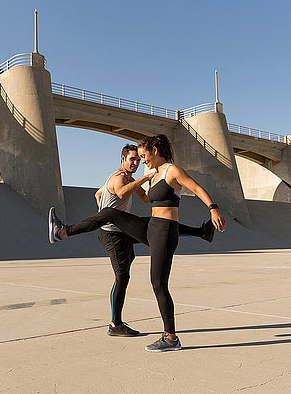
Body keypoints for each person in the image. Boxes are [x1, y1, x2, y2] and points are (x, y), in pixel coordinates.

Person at [49, 134, 226, 352]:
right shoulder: (153, 174)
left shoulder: (172, 171)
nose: (142, 161)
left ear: (155, 150)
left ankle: (170, 337)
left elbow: (197, 188)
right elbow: (141, 197)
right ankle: (62, 232)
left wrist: (213, 208)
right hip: (152, 227)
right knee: (109, 213)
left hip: (165, 231)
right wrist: (133, 179)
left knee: (158, 285)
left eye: (144, 156)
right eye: (138, 157)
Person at [93, 144, 215, 338]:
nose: (136, 162)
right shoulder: (118, 178)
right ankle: (115, 323)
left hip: (122, 230)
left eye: (138, 158)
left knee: (157, 226)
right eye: (132, 159)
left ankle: (200, 232)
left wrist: (147, 184)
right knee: (122, 277)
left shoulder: (129, 179)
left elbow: (101, 195)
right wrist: (109, 216)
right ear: (122, 159)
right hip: (112, 234)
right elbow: (123, 193)